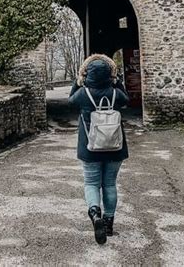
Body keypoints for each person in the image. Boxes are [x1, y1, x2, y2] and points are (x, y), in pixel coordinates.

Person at [68, 53, 130, 244]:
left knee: (91, 183)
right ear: (110, 74)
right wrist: (117, 81)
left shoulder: (83, 95)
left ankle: (95, 214)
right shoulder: (115, 94)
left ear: (87, 74)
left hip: (90, 148)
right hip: (115, 147)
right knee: (109, 184)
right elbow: (126, 98)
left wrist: (79, 81)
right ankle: (109, 223)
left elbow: (70, 100)